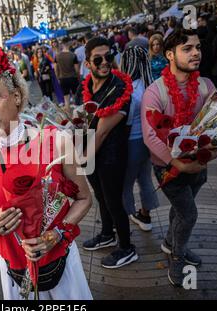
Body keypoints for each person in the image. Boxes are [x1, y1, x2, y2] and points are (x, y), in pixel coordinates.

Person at [0, 45, 93, 300]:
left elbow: (84, 198)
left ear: (15, 96)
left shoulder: (56, 141)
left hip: (60, 264)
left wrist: (57, 234)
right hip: (14, 272)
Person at [141, 29, 217, 287]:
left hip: (199, 163)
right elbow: (150, 136)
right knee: (189, 214)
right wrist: (177, 163)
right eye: (187, 48)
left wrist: (216, 148)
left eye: (197, 47)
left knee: (181, 209)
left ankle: (169, 242)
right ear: (170, 55)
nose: (196, 52)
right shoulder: (155, 92)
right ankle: (177, 256)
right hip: (168, 167)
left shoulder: (206, 85)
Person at [75, 37, 138, 269]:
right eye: (98, 59)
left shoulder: (119, 88)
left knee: (113, 201)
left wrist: (81, 159)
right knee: (101, 197)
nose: (104, 62)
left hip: (110, 155)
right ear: (88, 63)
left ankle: (126, 247)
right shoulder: (87, 85)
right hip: (90, 151)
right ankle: (107, 233)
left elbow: (101, 133)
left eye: (108, 57)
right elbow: (83, 118)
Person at [120, 46, 159, 232]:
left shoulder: (129, 89)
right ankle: (146, 214)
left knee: (125, 183)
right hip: (148, 140)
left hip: (132, 141)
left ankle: (126, 216)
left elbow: (125, 120)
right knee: (145, 179)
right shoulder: (152, 85)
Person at [54, 37, 80, 109]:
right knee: (76, 98)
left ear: (62, 44)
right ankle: (78, 116)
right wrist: (78, 78)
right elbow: (77, 70)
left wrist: (58, 78)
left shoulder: (57, 56)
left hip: (63, 79)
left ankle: (68, 116)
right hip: (73, 78)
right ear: (69, 43)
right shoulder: (73, 55)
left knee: (66, 99)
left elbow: (56, 69)